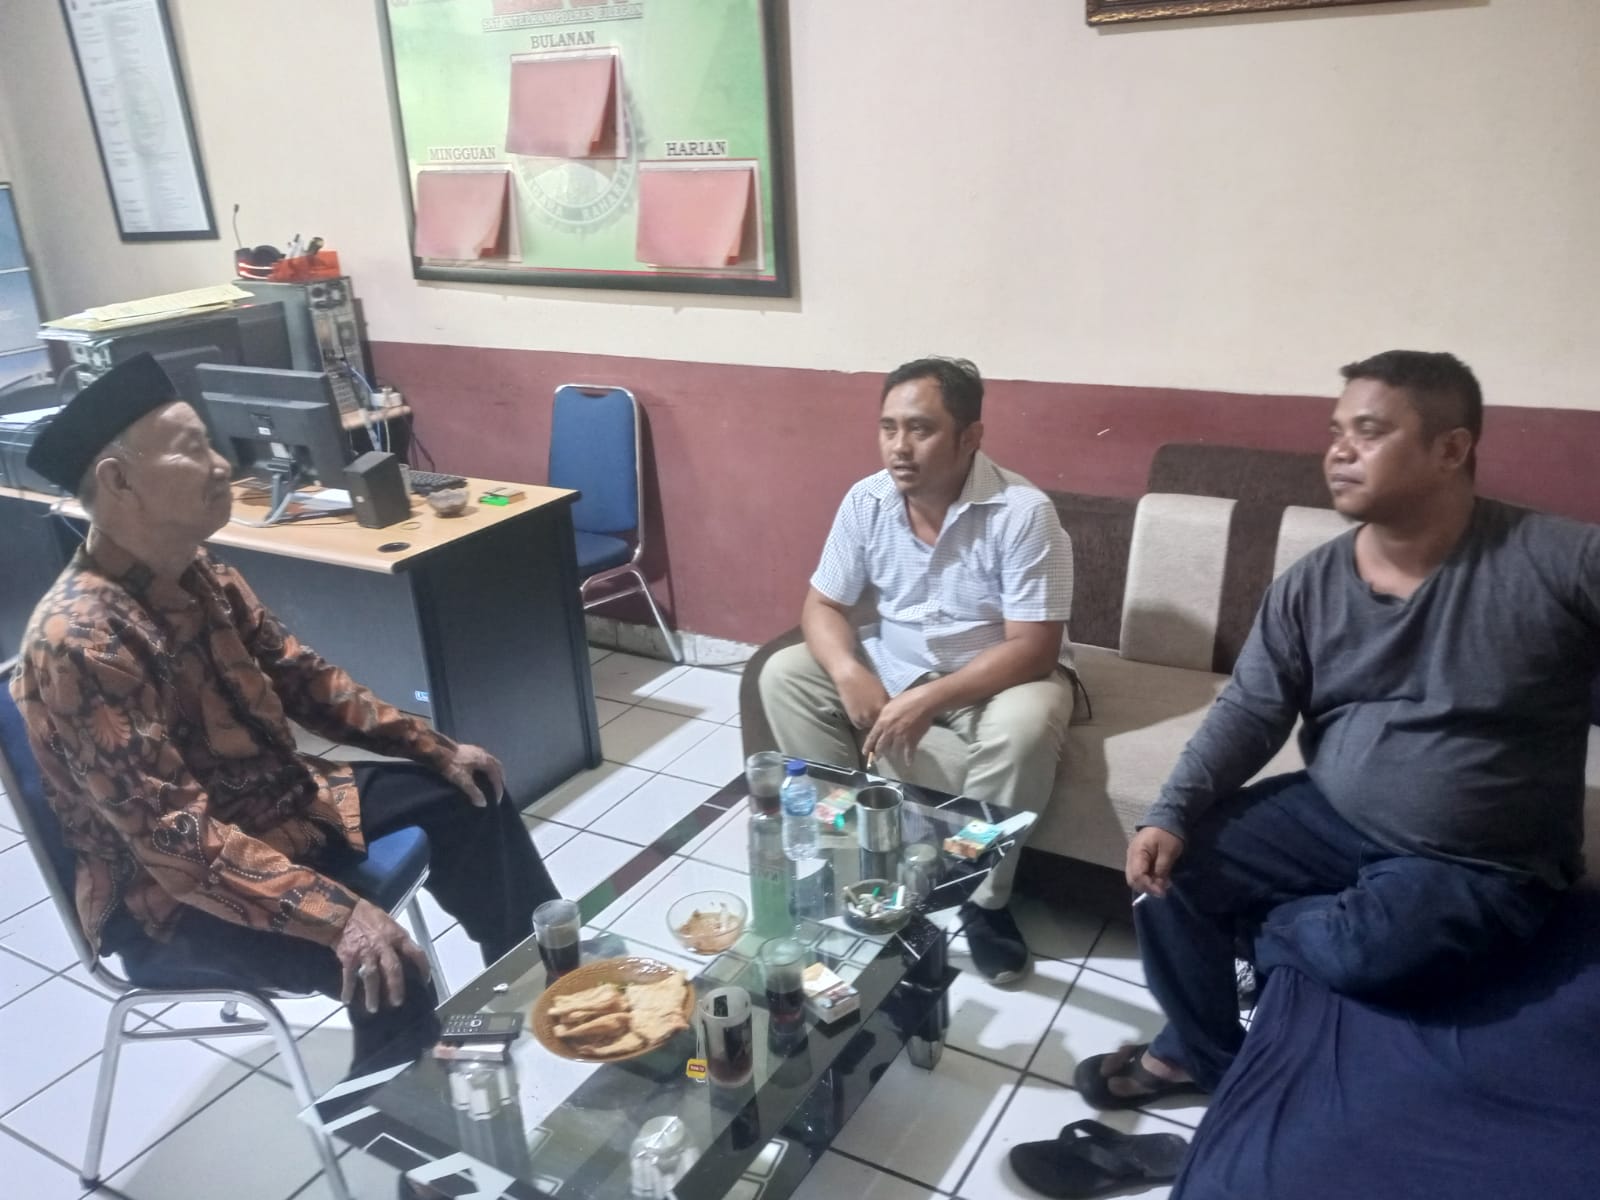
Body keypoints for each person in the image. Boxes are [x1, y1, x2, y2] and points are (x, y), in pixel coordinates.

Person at [1073, 349, 1600, 1114]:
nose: (1339, 451)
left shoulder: (1559, 561)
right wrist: (1170, 812)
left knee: (1364, 956)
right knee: (1169, 878)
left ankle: (1268, 938)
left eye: (1370, 432)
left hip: (1478, 857)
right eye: (1336, 431)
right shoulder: (1312, 584)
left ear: (1451, 449)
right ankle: (1205, 1058)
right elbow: (1251, 710)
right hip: (1331, 814)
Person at [9, 353, 560, 1081]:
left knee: (472, 791)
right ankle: (409, 1137)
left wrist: (433, 746)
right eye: (192, 449)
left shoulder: (200, 571)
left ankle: (544, 994)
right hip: (171, 898)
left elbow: (305, 680)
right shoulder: (79, 641)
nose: (219, 465)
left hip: (283, 810)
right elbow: (181, 846)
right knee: (385, 962)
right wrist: (342, 915)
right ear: (118, 482)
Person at [760, 356, 1078, 984]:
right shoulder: (867, 499)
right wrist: (848, 671)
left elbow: (1035, 647)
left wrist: (928, 701)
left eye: (921, 429)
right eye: (889, 427)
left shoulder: (1022, 512)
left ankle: (984, 900)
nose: (899, 447)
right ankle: (851, 862)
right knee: (785, 674)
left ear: (970, 437)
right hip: (896, 662)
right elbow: (822, 606)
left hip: (1000, 675)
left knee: (1026, 726)